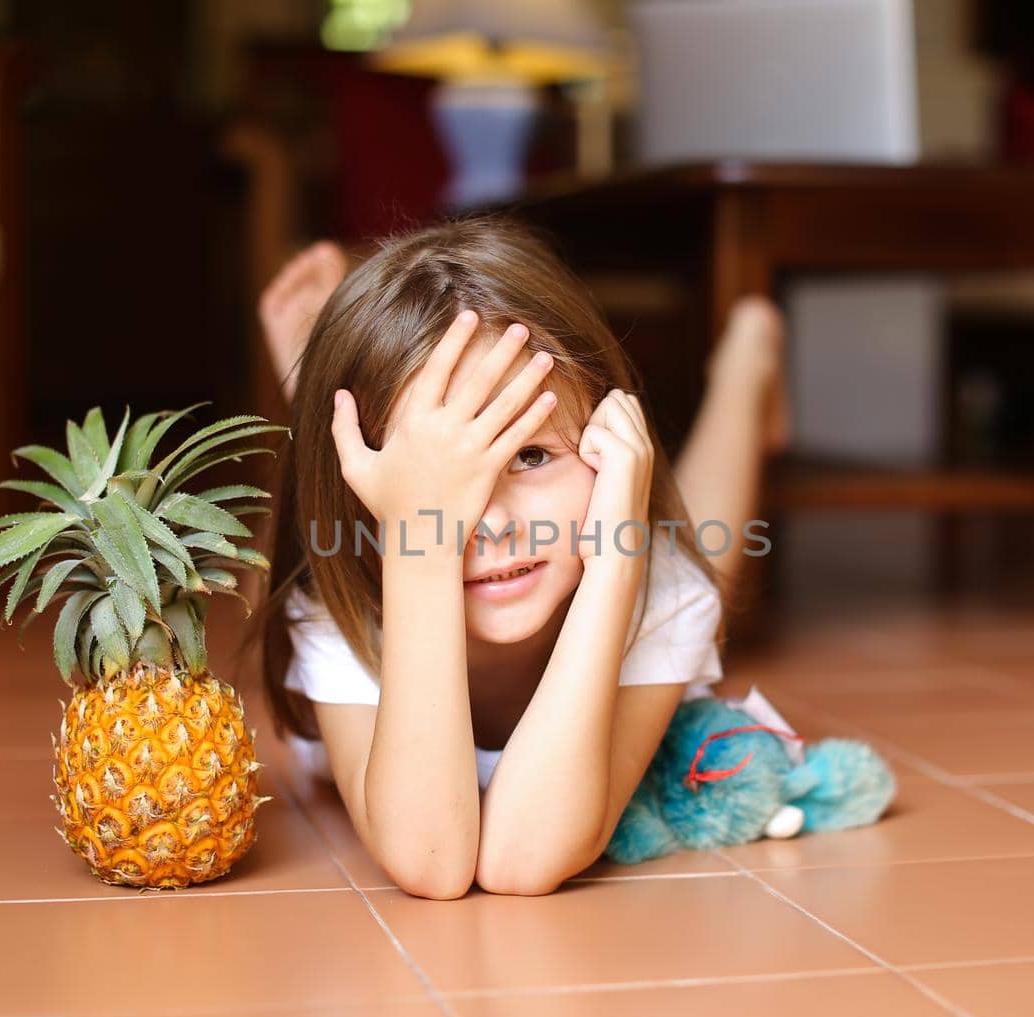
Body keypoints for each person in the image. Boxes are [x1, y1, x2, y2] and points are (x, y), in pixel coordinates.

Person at [252, 216, 790, 899]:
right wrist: (421, 543)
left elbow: (521, 860)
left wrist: (615, 567)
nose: (496, 525)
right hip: (385, 544)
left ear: (605, 434)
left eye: (532, 455)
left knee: (704, 546)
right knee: (314, 508)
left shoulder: (657, 587)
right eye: (445, 479)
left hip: (600, 547)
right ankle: (326, 390)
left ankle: (748, 358)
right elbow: (432, 860)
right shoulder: (341, 598)